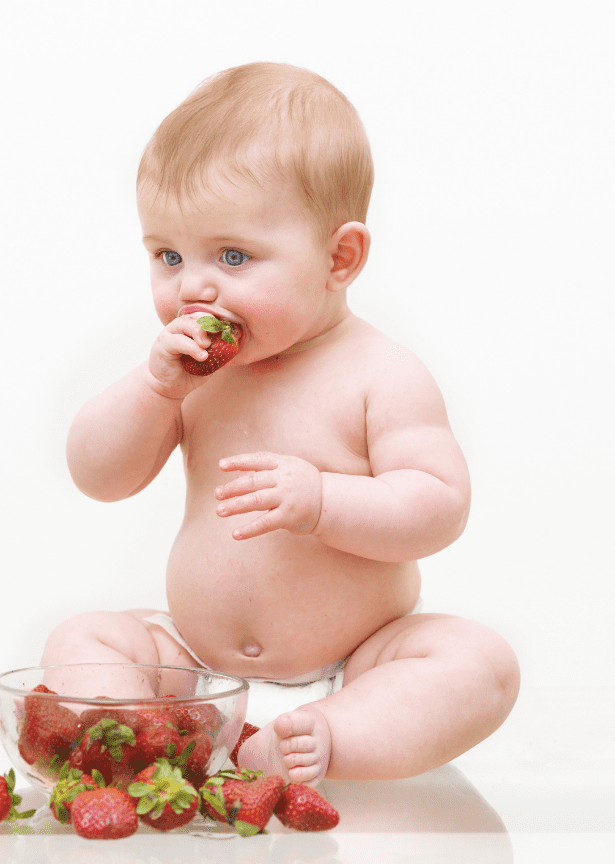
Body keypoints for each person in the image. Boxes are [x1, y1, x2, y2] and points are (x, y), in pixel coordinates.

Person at [45, 62, 520, 784]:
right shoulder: (193, 375)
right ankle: (157, 735)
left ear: (340, 257)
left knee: (479, 665)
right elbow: (97, 475)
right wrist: (153, 389)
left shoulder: (380, 373)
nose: (193, 286)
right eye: (167, 255)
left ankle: (322, 737)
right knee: (82, 636)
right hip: (198, 666)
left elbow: (439, 507)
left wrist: (323, 501)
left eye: (233, 255)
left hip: (359, 662)